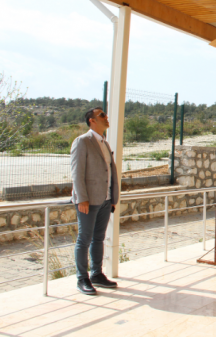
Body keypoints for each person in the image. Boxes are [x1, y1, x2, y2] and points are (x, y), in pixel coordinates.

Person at [70, 107, 120, 295]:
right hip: (88, 200)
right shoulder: (82, 141)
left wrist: (113, 197)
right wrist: (82, 198)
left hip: (106, 200)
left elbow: (110, 171)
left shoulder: (104, 143)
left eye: (105, 115)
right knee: (84, 239)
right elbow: (77, 172)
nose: (106, 118)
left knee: (99, 238)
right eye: (102, 116)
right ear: (92, 120)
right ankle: (82, 278)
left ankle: (97, 274)